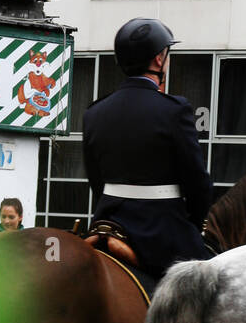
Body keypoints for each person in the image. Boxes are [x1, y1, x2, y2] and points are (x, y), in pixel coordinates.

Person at [82, 18, 213, 279]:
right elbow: (198, 182)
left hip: (106, 222)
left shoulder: (94, 112)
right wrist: (193, 225)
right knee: (210, 282)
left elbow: (96, 179)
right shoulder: (174, 110)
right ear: (157, 59)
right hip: (160, 230)